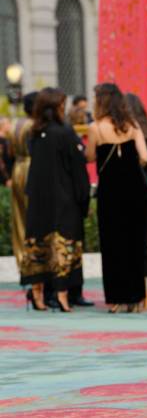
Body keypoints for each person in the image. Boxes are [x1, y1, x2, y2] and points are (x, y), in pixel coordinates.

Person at [20, 87, 90, 312]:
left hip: (39, 200)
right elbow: (78, 169)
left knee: (39, 245)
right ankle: (62, 296)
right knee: (63, 245)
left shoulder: (35, 132)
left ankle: (38, 295)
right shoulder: (64, 132)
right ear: (56, 106)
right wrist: (84, 197)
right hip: (63, 200)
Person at [86, 83, 147, 312]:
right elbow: (144, 157)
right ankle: (136, 298)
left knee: (113, 245)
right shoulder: (132, 126)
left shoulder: (95, 128)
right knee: (134, 243)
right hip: (134, 192)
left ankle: (116, 299)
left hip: (110, 194)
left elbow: (90, 156)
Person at [125, 92, 147, 281]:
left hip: (134, 179)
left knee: (134, 224)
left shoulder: (130, 128)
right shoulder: (146, 126)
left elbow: (141, 157)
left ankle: (139, 265)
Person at [8, 92, 38, 268]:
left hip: (17, 168)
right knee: (33, 215)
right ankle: (33, 260)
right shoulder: (35, 126)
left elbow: (10, 152)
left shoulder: (14, 124)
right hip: (31, 168)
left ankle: (21, 258)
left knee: (19, 215)